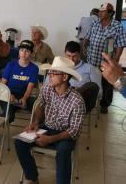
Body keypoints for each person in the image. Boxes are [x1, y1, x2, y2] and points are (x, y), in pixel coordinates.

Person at [14, 56, 85, 184]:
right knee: (20, 142)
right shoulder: (47, 88)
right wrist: (35, 123)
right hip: (47, 127)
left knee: (63, 152)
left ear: (64, 77)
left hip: (65, 134)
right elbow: (41, 106)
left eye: (53, 73)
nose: (49, 75)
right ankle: (32, 177)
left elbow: (74, 131)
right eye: (49, 72)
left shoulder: (77, 100)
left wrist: (50, 139)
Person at [84, 3, 126, 113]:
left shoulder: (117, 27)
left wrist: (115, 60)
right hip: (92, 59)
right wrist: (84, 49)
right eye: (99, 11)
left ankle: (104, 104)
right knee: (91, 82)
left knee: (107, 84)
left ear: (110, 13)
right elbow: (87, 37)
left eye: (103, 11)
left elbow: (120, 45)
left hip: (106, 63)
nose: (100, 13)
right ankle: (89, 102)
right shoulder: (95, 23)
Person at [63, 41, 102, 108]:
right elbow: (47, 85)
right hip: (61, 99)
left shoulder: (89, 68)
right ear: (64, 53)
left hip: (81, 101)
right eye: (68, 56)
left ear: (79, 54)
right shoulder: (59, 67)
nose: (71, 59)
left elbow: (98, 91)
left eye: (74, 56)